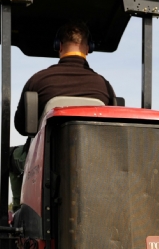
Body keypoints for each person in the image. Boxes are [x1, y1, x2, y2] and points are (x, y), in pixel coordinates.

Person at [10, 20, 117, 208]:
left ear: (58, 46)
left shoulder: (38, 81)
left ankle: (21, 212)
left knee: (11, 156)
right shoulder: (104, 86)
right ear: (88, 48)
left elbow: (21, 126)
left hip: (46, 164)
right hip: (91, 164)